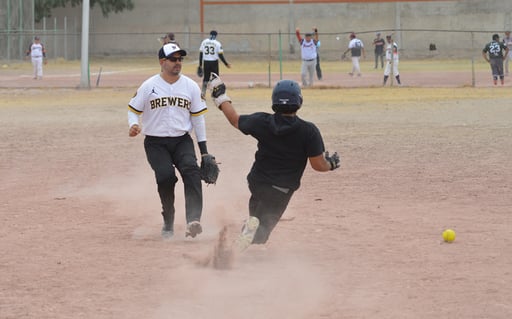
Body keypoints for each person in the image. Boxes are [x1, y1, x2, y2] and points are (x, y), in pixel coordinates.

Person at [207, 74, 340, 252]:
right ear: (299, 101)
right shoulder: (308, 131)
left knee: (256, 215)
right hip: (281, 190)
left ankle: (250, 225)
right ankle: (249, 234)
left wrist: (220, 96)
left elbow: (235, 119)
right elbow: (318, 165)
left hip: (257, 182)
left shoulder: (262, 121)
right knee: (262, 233)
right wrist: (330, 164)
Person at [127, 43, 213, 239]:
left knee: (192, 172)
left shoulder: (190, 86)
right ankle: (168, 219)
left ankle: (193, 220)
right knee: (166, 177)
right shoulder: (149, 86)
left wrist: (204, 151)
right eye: (173, 59)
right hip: (155, 142)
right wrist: (133, 124)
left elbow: (198, 119)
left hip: (182, 140)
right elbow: (133, 109)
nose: (177, 63)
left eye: (179, 59)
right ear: (162, 62)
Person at [198, 30, 231, 99]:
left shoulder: (204, 42)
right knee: (215, 78)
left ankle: (203, 93)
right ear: (216, 36)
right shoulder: (217, 43)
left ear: (210, 34)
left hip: (206, 62)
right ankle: (216, 94)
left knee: (206, 78)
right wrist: (226, 64)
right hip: (214, 62)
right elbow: (220, 55)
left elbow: (201, 54)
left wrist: (200, 64)